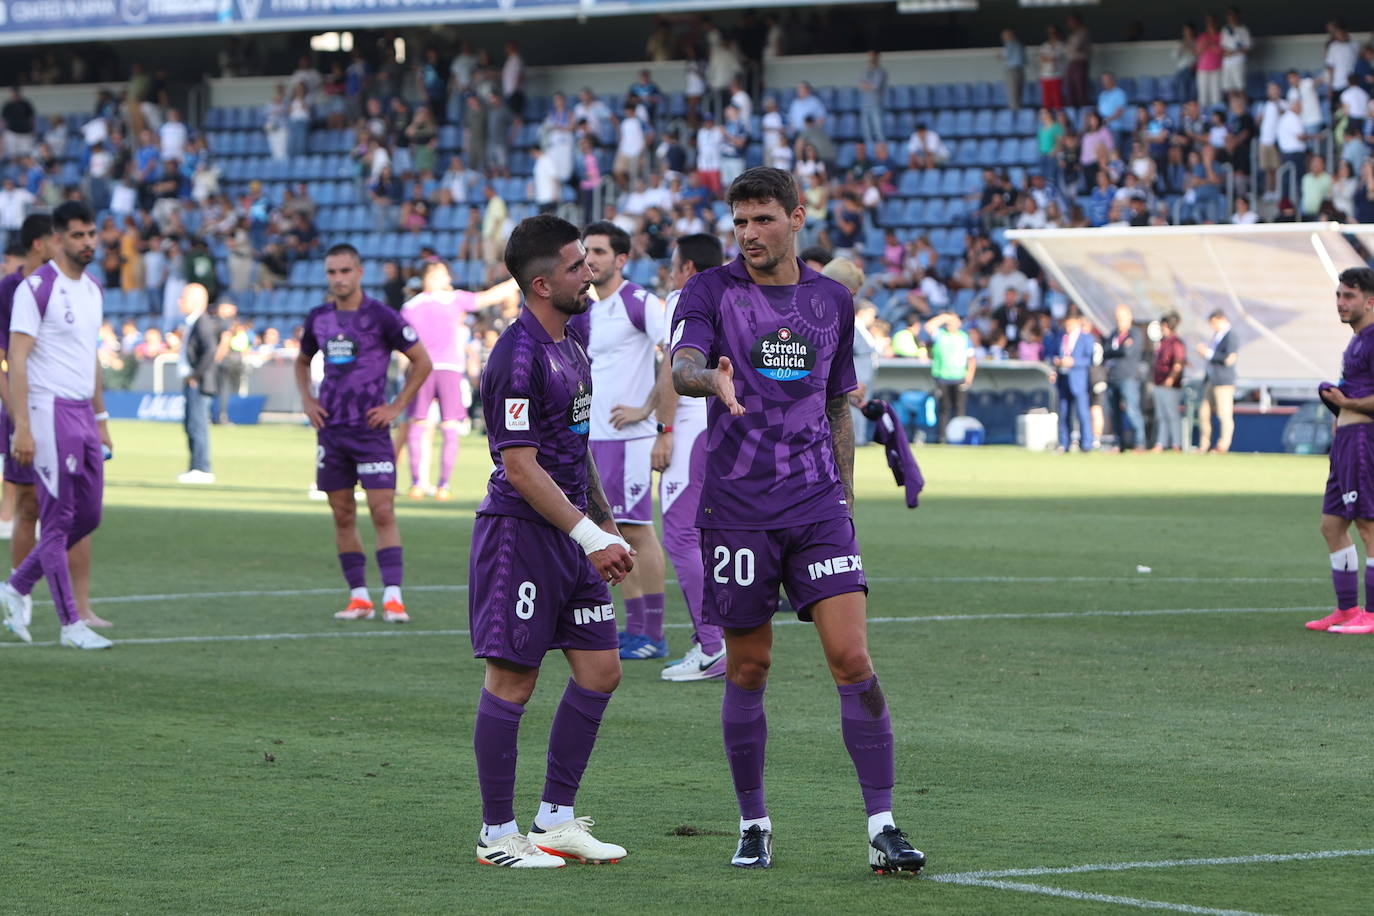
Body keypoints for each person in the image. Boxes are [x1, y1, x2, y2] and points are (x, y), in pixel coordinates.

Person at [670, 167, 925, 874]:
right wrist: (707, 378)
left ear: (796, 216)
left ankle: (884, 824)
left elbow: (838, 404)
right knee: (749, 667)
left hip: (817, 509)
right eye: (740, 221)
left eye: (762, 219)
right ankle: (753, 823)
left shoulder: (831, 301)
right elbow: (684, 360)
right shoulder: (709, 291)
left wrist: (845, 499)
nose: (749, 234)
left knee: (854, 660)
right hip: (739, 510)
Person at [468, 213, 633, 868]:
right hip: (522, 537)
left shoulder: (571, 344)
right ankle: (496, 834)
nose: (586, 272)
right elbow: (520, 465)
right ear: (541, 284)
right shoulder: (518, 357)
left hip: (574, 535)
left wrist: (605, 522)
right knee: (512, 682)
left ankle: (555, 820)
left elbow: (573, 450)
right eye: (573, 266)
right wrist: (589, 532)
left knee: (601, 670)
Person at [609, 233, 728, 682]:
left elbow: (675, 366)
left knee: (680, 536)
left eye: (674, 265)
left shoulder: (688, 296)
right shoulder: (731, 293)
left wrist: (663, 428)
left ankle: (712, 644)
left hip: (692, 423)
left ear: (689, 268)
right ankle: (712, 640)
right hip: (719, 425)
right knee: (708, 536)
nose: (670, 275)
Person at [295, 244, 433, 623]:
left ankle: (393, 596)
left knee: (382, 510)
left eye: (344, 271)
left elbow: (422, 361)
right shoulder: (319, 318)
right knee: (341, 514)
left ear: (358, 272)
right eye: (332, 272)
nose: (338, 278)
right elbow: (303, 359)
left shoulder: (382, 317)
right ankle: (358, 597)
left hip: (371, 431)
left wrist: (396, 406)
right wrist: (307, 399)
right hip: (332, 431)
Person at [0, 201, 113, 650]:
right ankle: (70, 626)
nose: (88, 242)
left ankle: (16, 585)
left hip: (83, 412)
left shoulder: (93, 291)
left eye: (92, 234)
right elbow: (18, 359)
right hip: (48, 412)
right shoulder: (36, 288)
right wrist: (22, 425)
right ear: (58, 239)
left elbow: (92, 359)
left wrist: (101, 417)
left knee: (89, 515)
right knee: (58, 516)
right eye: (79, 235)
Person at [569, 221, 669, 661]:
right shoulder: (587, 310)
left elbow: (678, 354)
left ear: (621, 259)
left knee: (636, 529)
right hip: (595, 439)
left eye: (600, 251)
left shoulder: (639, 302)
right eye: (586, 251)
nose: (590, 259)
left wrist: (649, 412)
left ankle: (654, 631)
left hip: (630, 439)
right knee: (610, 531)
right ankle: (635, 628)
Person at [401, 262, 519, 500]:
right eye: (441, 273)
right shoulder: (413, 306)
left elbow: (488, 297)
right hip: (425, 368)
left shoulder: (450, 300)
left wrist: (517, 279)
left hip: (446, 369)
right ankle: (422, 482)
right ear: (429, 276)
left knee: (445, 426)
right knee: (422, 425)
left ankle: (438, 484)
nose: (446, 277)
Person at [1310, 267, 1374, 634]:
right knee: (1332, 525)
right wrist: (1337, 403)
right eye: (1338, 295)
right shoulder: (1356, 341)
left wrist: (1348, 402)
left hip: (1364, 442)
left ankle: (1372, 613)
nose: (1340, 302)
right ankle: (1347, 610)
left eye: (1348, 296)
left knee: (1368, 526)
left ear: (1370, 301)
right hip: (1345, 443)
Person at [175, 284, 218, 484]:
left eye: (183, 297)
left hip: (199, 383)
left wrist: (195, 375)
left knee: (197, 425)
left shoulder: (203, 322)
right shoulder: (194, 322)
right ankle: (195, 466)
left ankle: (202, 468)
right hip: (193, 381)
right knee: (191, 424)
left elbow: (210, 350)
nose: (179, 301)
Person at [924, 311, 975, 443]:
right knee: (944, 409)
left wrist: (969, 375)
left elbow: (971, 358)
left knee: (960, 409)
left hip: (959, 376)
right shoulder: (940, 335)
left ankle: (959, 437)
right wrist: (944, 317)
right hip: (942, 377)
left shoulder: (964, 337)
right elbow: (929, 327)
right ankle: (943, 438)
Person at [1103, 304, 1145, 451]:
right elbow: (1106, 351)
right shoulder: (1114, 334)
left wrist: (1115, 350)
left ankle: (1139, 443)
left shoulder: (1135, 333)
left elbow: (1127, 351)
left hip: (1128, 377)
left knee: (1131, 410)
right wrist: (1118, 350)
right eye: (1117, 317)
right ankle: (1118, 443)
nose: (1119, 320)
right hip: (1113, 376)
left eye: (1122, 317)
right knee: (1114, 412)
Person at [1050, 314, 1094, 451]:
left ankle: (1086, 443)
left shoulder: (1086, 338)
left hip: (1078, 379)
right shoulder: (1061, 337)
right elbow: (1054, 354)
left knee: (1082, 412)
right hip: (1063, 378)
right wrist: (1056, 364)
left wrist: (1074, 362)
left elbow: (1090, 360)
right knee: (1064, 412)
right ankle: (1064, 442)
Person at [1196, 308, 1238, 453]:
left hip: (1224, 382)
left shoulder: (1231, 336)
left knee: (1224, 414)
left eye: (1214, 323)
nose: (1212, 327)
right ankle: (1204, 444)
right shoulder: (1216, 335)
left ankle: (1223, 445)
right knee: (1204, 412)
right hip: (1211, 380)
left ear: (1222, 320)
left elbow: (1229, 358)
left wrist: (1209, 353)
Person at [1151, 312, 1187, 451]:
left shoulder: (1176, 342)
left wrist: (1171, 379)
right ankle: (1161, 443)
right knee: (1162, 415)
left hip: (1170, 386)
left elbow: (1178, 363)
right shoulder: (1163, 342)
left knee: (1172, 415)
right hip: (1159, 383)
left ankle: (1176, 444)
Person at [1001, 29, 1026, 112]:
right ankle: (1018, 110)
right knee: (1018, 93)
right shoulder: (1020, 44)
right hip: (1020, 70)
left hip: (1012, 70)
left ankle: (1014, 113)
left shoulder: (1010, 44)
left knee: (1013, 92)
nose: (1003, 37)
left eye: (1004, 35)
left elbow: (1005, 55)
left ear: (1010, 35)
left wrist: (999, 56)